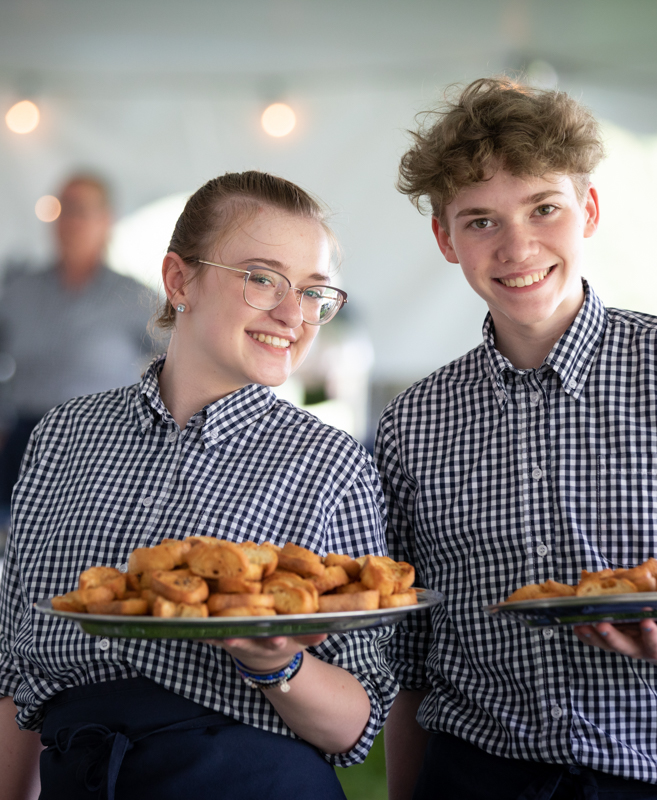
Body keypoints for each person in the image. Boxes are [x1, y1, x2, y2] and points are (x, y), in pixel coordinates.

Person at [374, 77, 657, 800]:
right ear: (445, 237)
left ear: (589, 209)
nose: (517, 246)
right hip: (475, 778)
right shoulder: (413, 421)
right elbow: (412, 662)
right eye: (480, 221)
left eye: (544, 208)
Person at [0, 170, 397, 800]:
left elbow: (358, 725)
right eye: (263, 278)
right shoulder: (62, 437)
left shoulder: (330, 464)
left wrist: (278, 664)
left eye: (315, 291)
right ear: (179, 280)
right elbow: (14, 670)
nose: (294, 315)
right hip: (80, 774)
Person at [0, 173, 160, 515]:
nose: (69, 221)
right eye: (62, 210)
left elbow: (180, 362)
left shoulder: (133, 297)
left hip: (104, 444)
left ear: (107, 220)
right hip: (26, 439)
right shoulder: (19, 292)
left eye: (81, 210)